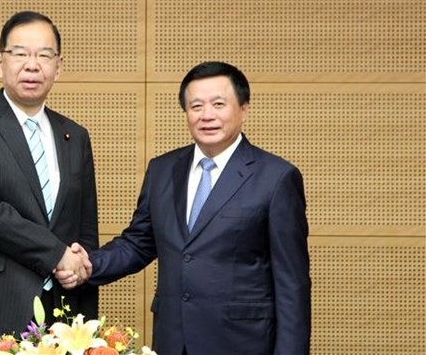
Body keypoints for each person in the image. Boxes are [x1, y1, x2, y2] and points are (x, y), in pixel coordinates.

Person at [58, 61, 311, 355]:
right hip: (173, 339)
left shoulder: (276, 177)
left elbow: (292, 284)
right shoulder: (162, 170)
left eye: (219, 104)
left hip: (243, 342)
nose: (207, 116)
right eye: (196, 106)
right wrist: (87, 266)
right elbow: (138, 243)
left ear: (243, 109)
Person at [0, 11, 98, 355]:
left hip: (63, 314)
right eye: (20, 53)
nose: (32, 65)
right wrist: (56, 254)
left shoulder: (75, 135)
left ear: (59, 66)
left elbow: (84, 226)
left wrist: (83, 273)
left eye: (44, 55)